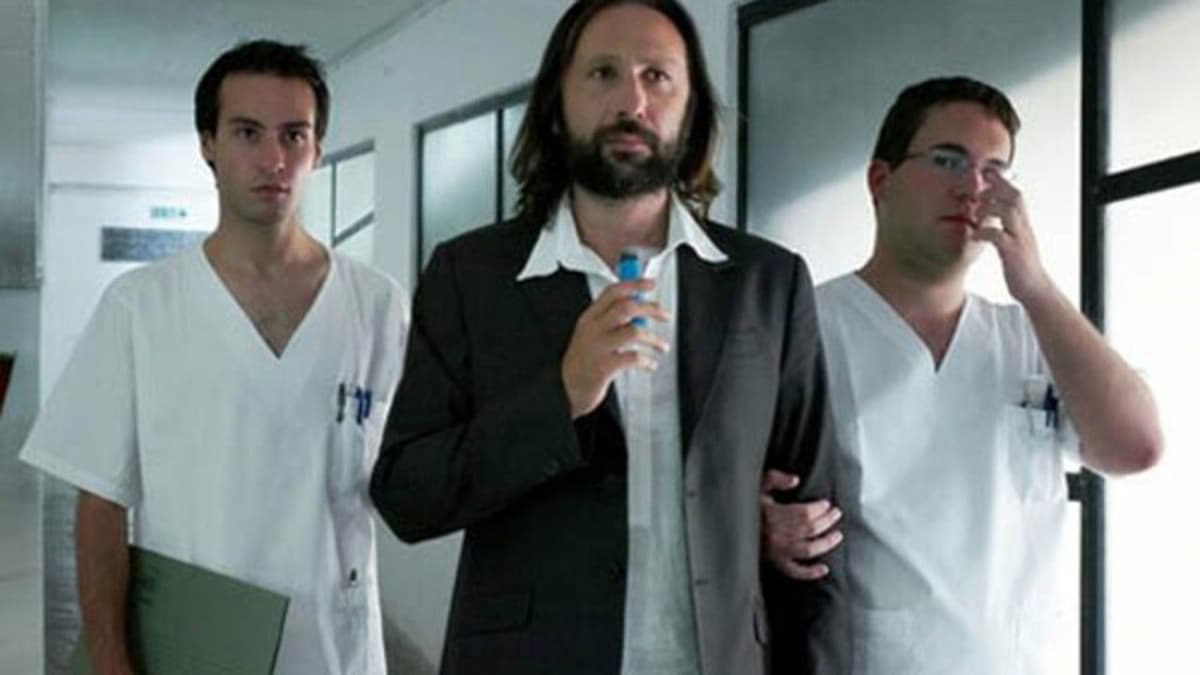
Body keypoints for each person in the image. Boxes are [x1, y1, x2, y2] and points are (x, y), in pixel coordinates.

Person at [369, 1, 847, 673]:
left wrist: (745, 523)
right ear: (556, 103)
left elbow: (815, 529)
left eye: (658, 77)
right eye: (603, 73)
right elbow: (406, 497)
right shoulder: (470, 275)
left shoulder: (768, 282)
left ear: (691, 111)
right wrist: (562, 396)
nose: (632, 101)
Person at [20, 40, 407, 674]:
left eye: (293, 135)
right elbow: (100, 508)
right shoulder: (141, 306)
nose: (273, 159)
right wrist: (113, 665)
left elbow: (412, 471)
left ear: (318, 148)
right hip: (193, 648)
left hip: (336, 651)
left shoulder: (378, 305)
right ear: (208, 144)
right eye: (248, 133)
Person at [766, 76, 1163, 674]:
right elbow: (727, 488)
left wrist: (1035, 285)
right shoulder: (805, 329)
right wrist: (759, 524)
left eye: (994, 171)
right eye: (949, 160)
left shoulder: (1030, 333)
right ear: (880, 181)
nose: (973, 187)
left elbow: (1137, 447)